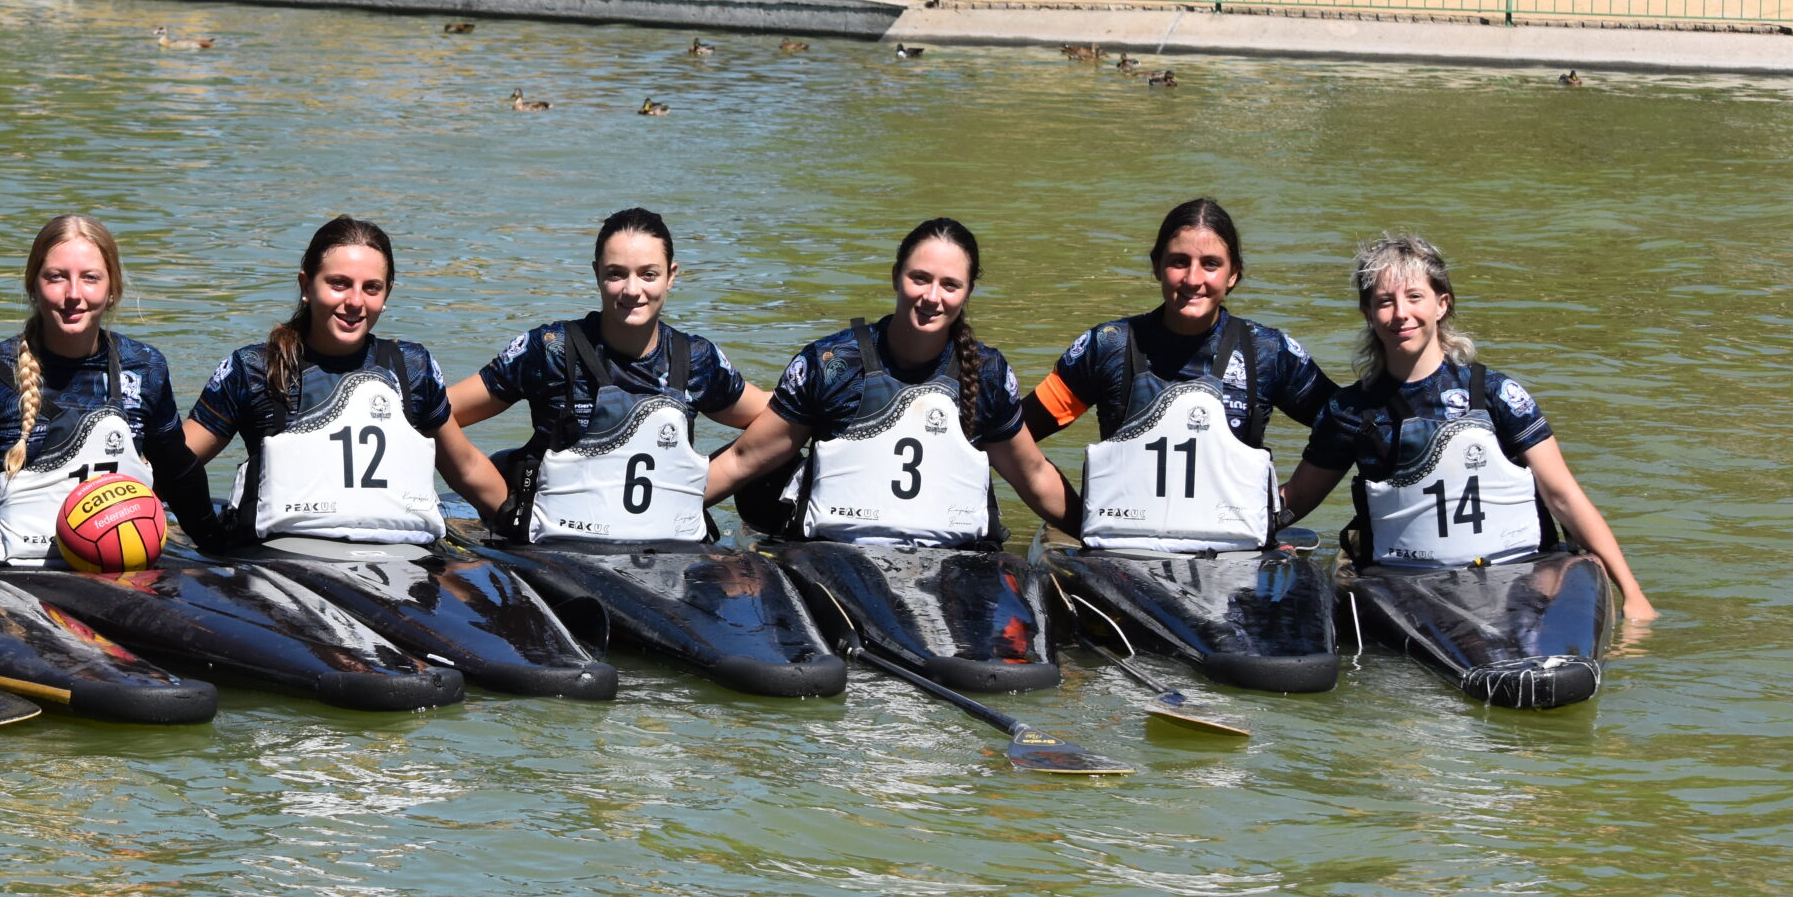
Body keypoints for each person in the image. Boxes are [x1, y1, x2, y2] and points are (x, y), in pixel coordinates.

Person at [1278, 232, 1653, 620]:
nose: (1401, 313)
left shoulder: (1498, 394)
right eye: (1385, 302)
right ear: (1368, 315)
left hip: (1525, 571)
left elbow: (1564, 497)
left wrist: (1633, 593)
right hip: (1407, 583)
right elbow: (1299, 497)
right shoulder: (1350, 411)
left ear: (1442, 304)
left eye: (1414, 297)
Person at [704, 217, 1079, 541]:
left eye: (950, 285)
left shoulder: (988, 373)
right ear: (896, 276)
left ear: (968, 293)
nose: (932, 297)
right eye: (920, 278)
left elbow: (1032, 475)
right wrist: (655, 513)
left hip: (957, 563)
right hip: (835, 557)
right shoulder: (832, 363)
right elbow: (743, 459)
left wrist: (1095, 532)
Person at [0, 214, 213, 566]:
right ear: (33, 287)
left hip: (115, 563)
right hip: (3, 571)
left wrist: (220, 547)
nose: (74, 294)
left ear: (112, 291)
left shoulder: (145, 367)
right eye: (56, 277)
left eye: (90, 278)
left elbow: (178, 473)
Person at [1021, 197, 1335, 551]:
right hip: (1122, 555)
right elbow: (1014, 433)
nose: (1193, 279)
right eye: (1179, 262)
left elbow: (1349, 427)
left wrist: (1278, 513)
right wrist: (1082, 518)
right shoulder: (1106, 346)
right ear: (1157, 266)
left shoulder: (1269, 352)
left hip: (1234, 557)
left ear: (1234, 274)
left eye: (1211, 264)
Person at [448, 207, 767, 543]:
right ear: (596, 273)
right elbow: (439, 411)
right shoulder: (549, 350)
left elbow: (777, 419)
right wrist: (507, 507)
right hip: (553, 549)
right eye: (616, 274)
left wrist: (685, 492)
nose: (632, 290)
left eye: (648, 274)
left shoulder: (696, 360)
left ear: (671, 276)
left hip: (664, 552)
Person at [187, 216, 503, 545]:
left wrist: (522, 523)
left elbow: (465, 468)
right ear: (306, 286)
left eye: (371, 288)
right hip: (280, 561)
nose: (355, 301)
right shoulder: (252, 368)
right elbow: (178, 463)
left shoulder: (412, 367)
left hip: (406, 561)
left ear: (387, 293)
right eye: (338, 283)